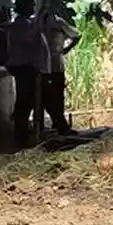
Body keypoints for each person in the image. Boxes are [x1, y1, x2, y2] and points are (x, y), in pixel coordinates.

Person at [6, 0, 50, 147]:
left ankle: (24, 133)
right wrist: (39, 17)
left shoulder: (26, 23)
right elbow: (30, 38)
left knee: (28, 101)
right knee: (25, 101)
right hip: (23, 66)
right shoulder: (21, 24)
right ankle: (21, 135)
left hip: (27, 66)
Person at [41, 7, 81, 136]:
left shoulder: (58, 22)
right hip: (46, 65)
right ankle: (57, 123)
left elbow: (76, 35)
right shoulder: (40, 23)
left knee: (55, 95)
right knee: (51, 96)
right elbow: (76, 35)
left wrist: (66, 49)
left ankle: (57, 123)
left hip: (53, 64)